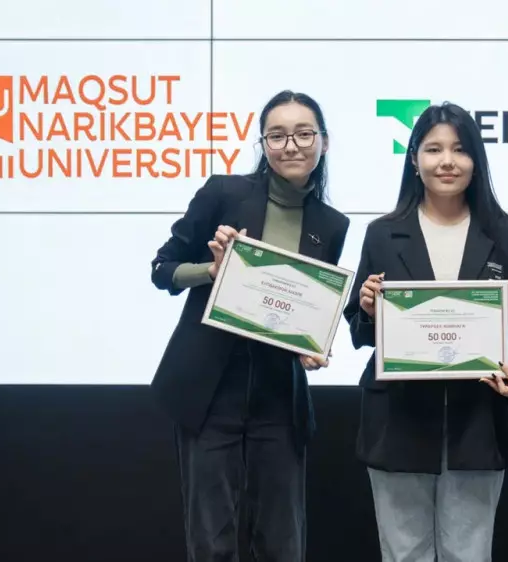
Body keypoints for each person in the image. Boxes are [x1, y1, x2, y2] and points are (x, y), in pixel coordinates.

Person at [148, 90, 349, 562]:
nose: (291, 145)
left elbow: (308, 307)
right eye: (277, 136)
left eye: (304, 133)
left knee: (282, 544)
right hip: (209, 391)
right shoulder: (224, 192)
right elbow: (162, 269)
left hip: (278, 396)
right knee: (211, 543)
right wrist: (212, 271)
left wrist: (312, 346)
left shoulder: (331, 224)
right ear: (263, 143)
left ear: (324, 141)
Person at [343, 102, 508, 562]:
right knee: (403, 554)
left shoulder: (505, 235)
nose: (447, 161)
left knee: (469, 553)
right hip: (398, 419)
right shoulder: (383, 233)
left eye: (459, 149)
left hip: (476, 421)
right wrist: (369, 309)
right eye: (433, 149)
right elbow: (359, 328)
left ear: (476, 160)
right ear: (414, 160)